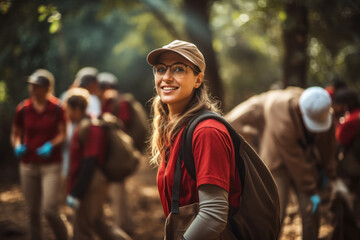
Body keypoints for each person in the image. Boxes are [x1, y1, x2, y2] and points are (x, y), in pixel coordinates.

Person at [147, 40, 242, 239]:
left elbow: (213, 215)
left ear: (198, 79)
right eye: (160, 69)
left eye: (179, 69)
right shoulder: (173, 128)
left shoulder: (207, 132)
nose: (166, 77)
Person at [225, 86, 338, 240]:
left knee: (311, 210)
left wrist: (330, 173)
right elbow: (296, 162)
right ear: (300, 111)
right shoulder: (281, 115)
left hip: (304, 160)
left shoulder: (320, 109)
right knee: (275, 211)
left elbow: (327, 146)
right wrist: (312, 191)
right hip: (277, 161)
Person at [64, 87, 131, 240]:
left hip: (92, 182)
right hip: (89, 181)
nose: (66, 114)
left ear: (76, 109)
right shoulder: (82, 125)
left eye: (67, 109)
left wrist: (76, 192)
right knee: (98, 222)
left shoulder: (91, 127)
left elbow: (90, 162)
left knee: (82, 228)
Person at [10, 69, 68, 240]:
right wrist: (17, 146)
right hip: (28, 165)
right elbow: (15, 132)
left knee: (49, 209)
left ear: (47, 88)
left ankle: (65, 236)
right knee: (32, 212)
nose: (33, 89)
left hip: (51, 165)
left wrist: (51, 144)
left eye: (37, 86)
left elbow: (63, 133)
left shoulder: (57, 108)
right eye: (31, 86)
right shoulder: (23, 108)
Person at [97, 72, 135, 235]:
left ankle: (125, 228)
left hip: (117, 154)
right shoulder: (106, 102)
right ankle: (124, 227)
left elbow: (123, 123)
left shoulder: (118, 101)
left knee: (118, 192)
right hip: (109, 154)